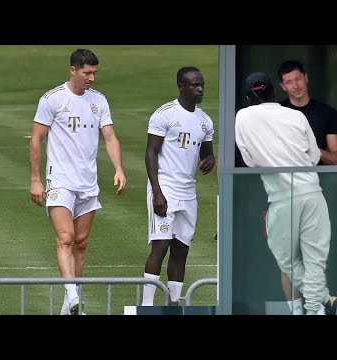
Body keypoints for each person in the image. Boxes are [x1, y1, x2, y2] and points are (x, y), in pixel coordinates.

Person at [234, 72, 337, 315]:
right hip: (313, 192)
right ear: (275, 92)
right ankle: (324, 304)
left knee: (287, 260)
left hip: (282, 196)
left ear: (248, 97)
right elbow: (315, 157)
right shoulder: (295, 115)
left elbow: (250, 162)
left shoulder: (243, 116)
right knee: (315, 260)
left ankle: (325, 302)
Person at [29, 48, 127, 315]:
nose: (91, 78)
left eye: (94, 73)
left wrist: (119, 168)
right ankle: (73, 296)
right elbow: (37, 138)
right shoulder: (53, 99)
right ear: (73, 70)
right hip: (60, 180)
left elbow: (109, 137)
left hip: (87, 182)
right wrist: (36, 180)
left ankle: (67, 308)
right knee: (65, 237)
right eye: (87, 73)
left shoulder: (99, 101)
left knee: (81, 243)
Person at [142, 66, 215, 306]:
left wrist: (210, 159)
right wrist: (157, 192)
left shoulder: (205, 121)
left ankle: (173, 303)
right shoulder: (165, 114)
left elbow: (206, 151)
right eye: (194, 85)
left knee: (181, 249)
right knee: (160, 245)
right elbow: (151, 153)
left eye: (201, 84)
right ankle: (148, 305)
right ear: (181, 86)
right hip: (165, 189)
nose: (200, 89)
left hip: (188, 192)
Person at [278, 59, 337, 314]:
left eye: (297, 79)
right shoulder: (277, 113)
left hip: (317, 192)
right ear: (282, 86)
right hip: (283, 193)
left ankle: (318, 309)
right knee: (288, 259)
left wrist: (312, 151)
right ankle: (296, 311)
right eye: (288, 82)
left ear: (306, 78)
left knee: (314, 258)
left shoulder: (326, 113)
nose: (295, 86)